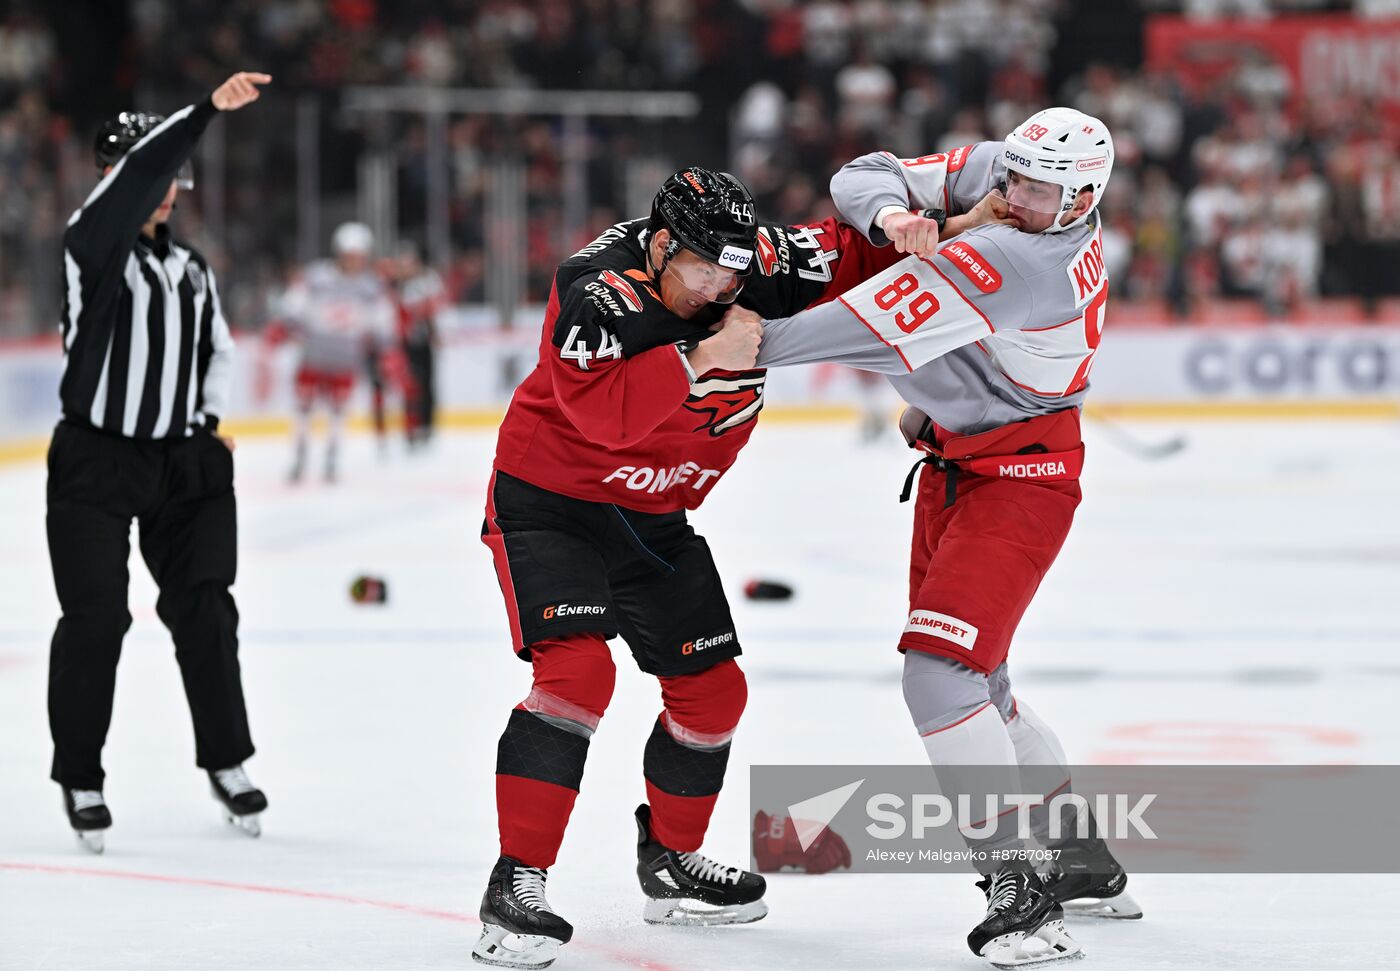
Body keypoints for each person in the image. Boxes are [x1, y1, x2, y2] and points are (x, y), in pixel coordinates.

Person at [473, 166, 901, 969]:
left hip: (656, 518)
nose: (721, 287)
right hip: (551, 502)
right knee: (576, 678)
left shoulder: (751, 263)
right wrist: (703, 359)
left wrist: (946, 224)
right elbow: (601, 418)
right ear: (662, 244)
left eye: (735, 271)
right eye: (704, 269)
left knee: (714, 692)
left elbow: (855, 249)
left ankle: (670, 861)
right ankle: (515, 883)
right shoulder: (595, 293)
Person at [746, 108, 1142, 967]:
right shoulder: (1013, 176)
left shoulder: (1026, 257)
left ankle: (1017, 888)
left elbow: (878, 324)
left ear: (1083, 198)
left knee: (940, 671)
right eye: (1016, 180)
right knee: (983, 684)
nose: (1018, 197)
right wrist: (897, 217)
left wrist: (751, 343)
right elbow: (861, 171)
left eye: (1041, 192)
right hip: (966, 458)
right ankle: (1077, 856)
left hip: (1021, 477)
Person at [48, 72, 272, 854]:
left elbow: (218, 351)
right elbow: (137, 174)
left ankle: (228, 759)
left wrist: (208, 424)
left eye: (174, 179)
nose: (167, 190)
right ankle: (80, 771)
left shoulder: (192, 270)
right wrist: (207, 110)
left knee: (207, 608)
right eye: (152, 174)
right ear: (114, 177)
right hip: (97, 460)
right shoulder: (92, 246)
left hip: (183, 460)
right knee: (98, 615)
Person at [272, 221, 396, 482]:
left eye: (358, 256)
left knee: (338, 412)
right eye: (349, 255)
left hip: (346, 359)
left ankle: (332, 455)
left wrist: (386, 349)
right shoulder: (318, 277)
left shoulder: (371, 288)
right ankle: (300, 453)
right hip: (314, 354)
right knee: (303, 409)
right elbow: (294, 304)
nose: (353, 261)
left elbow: (383, 321)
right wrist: (287, 325)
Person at [386, 243, 446, 448]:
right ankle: (411, 426)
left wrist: (435, 331)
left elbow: (436, 308)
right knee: (409, 385)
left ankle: (427, 426)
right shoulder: (397, 287)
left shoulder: (428, 281)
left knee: (427, 382)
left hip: (424, 341)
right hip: (405, 342)